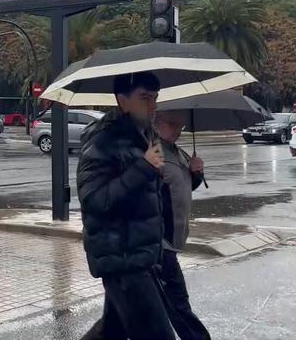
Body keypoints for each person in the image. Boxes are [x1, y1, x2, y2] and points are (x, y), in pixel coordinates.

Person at [77, 72, 176, 340]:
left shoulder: (145, 137)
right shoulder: (102, 142)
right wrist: (143, 168)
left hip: (140, 254)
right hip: (122, 259)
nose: (152, 105)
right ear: (122, 101)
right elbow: (96, 201)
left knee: (111, 332)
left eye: (155, 98)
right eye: (145, 98)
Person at [155, 111, 211, 340]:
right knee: (179, 306)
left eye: (181, 125)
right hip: (160, 244)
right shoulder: (153, 151)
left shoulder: (176, 151)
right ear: (157, 122)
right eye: (173, 124)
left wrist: (196, 174)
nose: (179, 129)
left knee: (121, 314)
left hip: (170, 242)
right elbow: (146, 194)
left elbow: (179, 188)